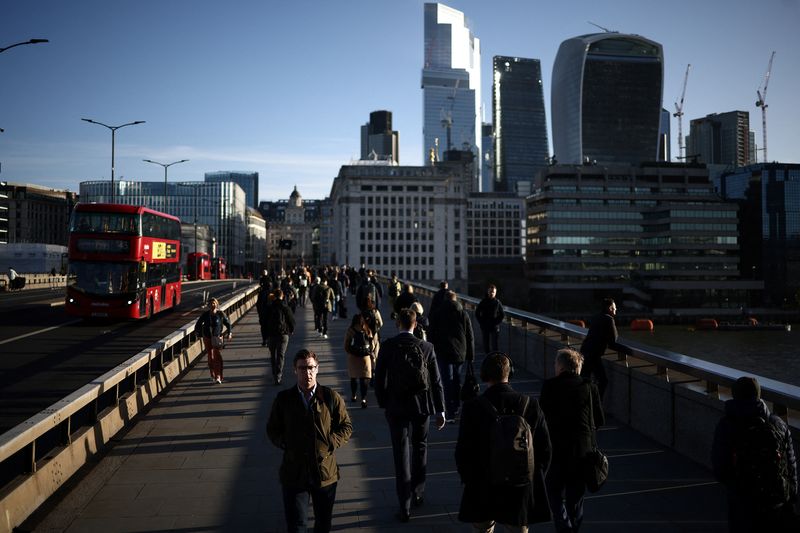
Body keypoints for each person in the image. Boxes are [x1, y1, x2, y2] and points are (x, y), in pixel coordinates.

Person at [455, 352, 552, 532]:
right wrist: (533, 478)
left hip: (483, 485)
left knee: (483, 528)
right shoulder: (530, 405)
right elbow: (545, 449)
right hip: (519, 485)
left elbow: (463, 450)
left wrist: (469, 479)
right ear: (510, 373)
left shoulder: (473, 407)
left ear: (484, 375)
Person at [266, 349, 353, 533]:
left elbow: (346, 427)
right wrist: (285, 443)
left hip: (324, 473)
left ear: (318, 369)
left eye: (311, 368)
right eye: (303, 368)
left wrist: (331, 442)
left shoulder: (330, 397)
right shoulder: (284, 399)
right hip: (294, 472)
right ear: (295, 370)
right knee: (297, 526)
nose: (308, 373)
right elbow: (272, 429)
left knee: (323, 525)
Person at [374, 308, 446, 522]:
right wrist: (440, 410)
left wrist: (384, 402)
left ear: (398, 323)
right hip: (421, 406)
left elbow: (379, 379)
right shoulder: (426, 347)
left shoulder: (388, 346)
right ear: (415, 324)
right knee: (420, 446)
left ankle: (404, 505)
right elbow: (436, 381)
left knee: (401, 453)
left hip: (396, 406)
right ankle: (418, 492)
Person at [711, 376, 798, 533]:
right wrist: (791, 495)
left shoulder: (726, 425)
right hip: (775, 498)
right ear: (759, 395)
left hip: (742, 499)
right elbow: (790, 465)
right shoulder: (777, 424)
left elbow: (720, 467)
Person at [539, 348, 604, 533]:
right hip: (582, 451)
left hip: (556, 450)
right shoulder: (590, 386)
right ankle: (572, 527)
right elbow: (599, 420)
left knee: (553, 492)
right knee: (575, 497)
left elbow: (542, 418)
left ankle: (563, 524)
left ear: (560, 367)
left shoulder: (549, 386)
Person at [428, 290, 475, 422]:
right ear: (456, 300)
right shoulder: (463, 314)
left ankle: (449, 412)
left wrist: (430, 353)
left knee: (446, 381)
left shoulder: (437, 314)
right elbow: (470, 336)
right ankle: (457, 406)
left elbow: (431, 334)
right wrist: (471, 356)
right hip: (460, 352)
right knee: (457, 380)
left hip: (443, 352)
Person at [579, 298, 631, 398]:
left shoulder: (596, 317)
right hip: (593, 355)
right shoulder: (609, 319)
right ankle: (595, 404)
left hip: (585, 351)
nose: (616, 310)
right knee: (602, 381)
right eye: (615, 308)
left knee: (585, 380)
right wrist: (627, 350)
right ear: (610, 308)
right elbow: (614, 340)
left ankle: (586, 403)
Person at [344, 314, 378, 408]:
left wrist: (350, 352)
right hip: (365, 357)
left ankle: (354, 395)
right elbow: (372, 344)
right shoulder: (367, 330)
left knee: (353, 378)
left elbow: (346, 344)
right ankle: (363, 398)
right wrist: (369, 352)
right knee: (364, 379)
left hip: (353, 357)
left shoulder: (351, 330)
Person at [195, 298, 233, 384]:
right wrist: (199, 334)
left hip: (217, 338)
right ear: (208, 305)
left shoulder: (220, 314)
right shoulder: (205, 315)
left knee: (217, 356)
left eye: (214, 303)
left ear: (217, 304)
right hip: (207, 338)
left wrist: (229, 333)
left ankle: (218, 376)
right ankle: (212, 373)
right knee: (210, 356)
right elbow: (198, 325)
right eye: (211, 304)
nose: (212, 305)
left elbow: (228, 324)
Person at [265, 289, 296, 385]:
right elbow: (291, 320)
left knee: (273, 355)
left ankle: (274, 373)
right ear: (282, 296)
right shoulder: (285, 306)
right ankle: (278, 375)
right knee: (280, 355)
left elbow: (264, 320)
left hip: (271, 334)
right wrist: (291, 330)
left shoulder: (269, 307)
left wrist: (266, 334)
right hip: (283, 334)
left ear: (274, 296)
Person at [475, 284, 506, 354]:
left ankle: (495, 360)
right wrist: (481, 322)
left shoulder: (497, 302)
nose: (492, 293)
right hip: (485, 326)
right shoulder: (483, 301)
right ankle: (488, 359)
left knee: (495, 346)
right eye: (490, 291)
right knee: (486, 345)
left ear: (495, 293)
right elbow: (477, 313)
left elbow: (502, 315)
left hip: (494, 327)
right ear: (488, 292)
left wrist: (496, 322)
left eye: (493, 292)